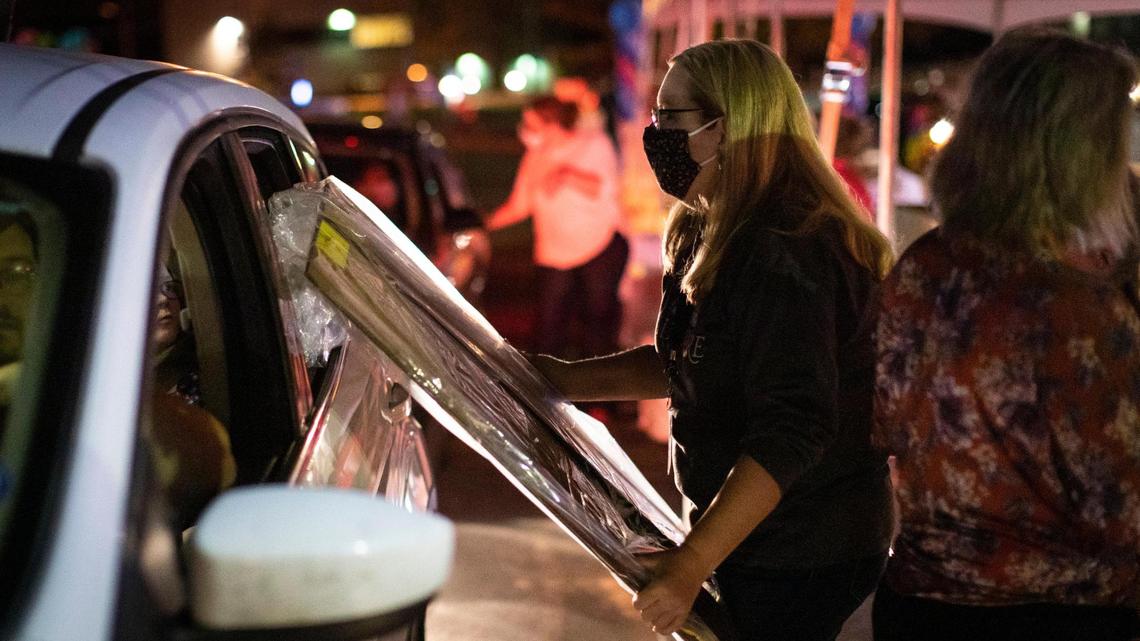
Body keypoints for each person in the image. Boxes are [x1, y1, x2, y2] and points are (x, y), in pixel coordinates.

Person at [531, 39, 895, 639]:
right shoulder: (708, 225)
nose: (655, 134)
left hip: (803, 551)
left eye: (670, 118)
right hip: (748, 539)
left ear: (727, 128)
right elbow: (688, 362)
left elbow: (794, 427)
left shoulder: (790, 246)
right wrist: (559, 378)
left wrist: (691, 563)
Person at [873, 29, 1140, 641]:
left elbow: (883, 422)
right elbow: (1120, 507)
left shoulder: (925, 263)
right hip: (1055, 615)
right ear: (1079, 153)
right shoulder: (1074, 309)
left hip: (920, 602)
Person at [486, 95, 628, 361]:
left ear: (552, 125)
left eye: (532, 125)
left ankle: (601, 393)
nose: (526, 132)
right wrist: (483, 224)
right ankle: (545, 389)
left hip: (598, 248)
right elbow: (519, 206)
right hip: (552, 255)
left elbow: (603, 187)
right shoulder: (534, 157)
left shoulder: (593, 144)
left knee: (597, 323)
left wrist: (566, 175)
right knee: (548, 327)